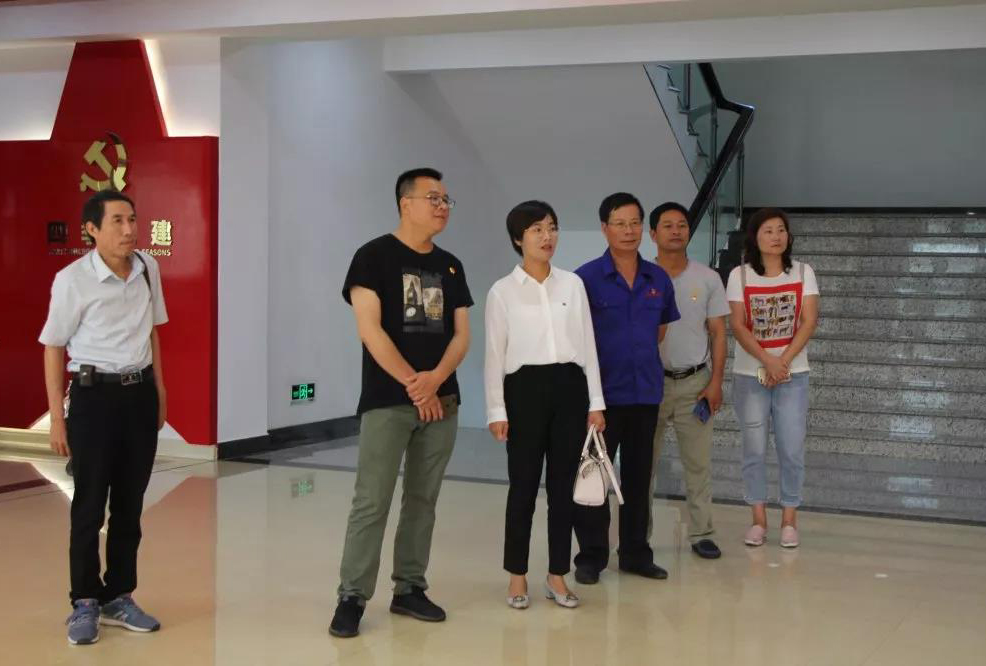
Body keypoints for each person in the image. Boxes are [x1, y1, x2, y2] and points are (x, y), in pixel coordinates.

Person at [330, 168, 472, 638]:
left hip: (442, 402)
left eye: (447, 199)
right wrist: (416, 385)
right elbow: (369, 330)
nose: (443, 206)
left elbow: (461, 335)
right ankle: (352, 596)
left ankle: (409, 588)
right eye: (433, 198)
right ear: (405, 203)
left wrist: (435, 383)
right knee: (372, 499)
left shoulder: (451, 265)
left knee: (423, 499)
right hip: (389, 400)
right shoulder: (372, 257)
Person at [40, 189, 169, 645]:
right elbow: (53, 347)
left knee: (130, 505)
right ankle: (84, 601)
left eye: (132, 219)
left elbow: (152, 333)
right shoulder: (72, 279)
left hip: (139, 396)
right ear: (91, 230)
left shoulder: (148, 268)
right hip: (93, 399)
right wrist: (57, 419)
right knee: (89, 505)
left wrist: (160, 390)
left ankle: (119, 595)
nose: (129, 229)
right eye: (117, 221)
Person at [485, 201, 606, 610]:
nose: (547, 236)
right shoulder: (502, 291)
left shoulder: (572, 285)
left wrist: (596, 402)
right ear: (518, 238)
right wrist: (497, 410)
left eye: (552, 227)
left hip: (570, 388)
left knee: (562, 489)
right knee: (522, 487)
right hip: (524, 390)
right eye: (536, 229)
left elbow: (588, 345)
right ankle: (516, 576)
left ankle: (557, 575)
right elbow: (494, 355)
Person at [573, 192, 680, 584]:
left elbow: (660, 330)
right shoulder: (585, 279)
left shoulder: (658, 278)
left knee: (638, 477)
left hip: (645, 393)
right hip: (601, 398)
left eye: (635, 222)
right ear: (605, 228)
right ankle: (591, 557)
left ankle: (635, 553)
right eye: (620, 223)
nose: (629, 230)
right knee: (595, 477)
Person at [726, 208, 819, 549]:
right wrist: (768, 361)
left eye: (781, 230)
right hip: (750, 375)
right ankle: (758, 520)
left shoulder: (804, 272)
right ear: (755, 237)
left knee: (791, 448)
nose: (776, 236)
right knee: (754, 449)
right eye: (768, 230)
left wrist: (783, 362)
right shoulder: (740, 275)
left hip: (793, 375)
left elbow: (809, 321)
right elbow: (738, 325)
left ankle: (790, 520)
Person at [647, 202, 730, 559]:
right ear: (653, 234)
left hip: (695, 382)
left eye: (682, 225)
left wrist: (716, 381)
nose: (676, 231)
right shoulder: (642, 276)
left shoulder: (708, 278)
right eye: (667, 225)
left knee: (698, 464)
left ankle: (702, 533)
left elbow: (719, 333)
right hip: (649, 384)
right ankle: (638, 537)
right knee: (642, 466)